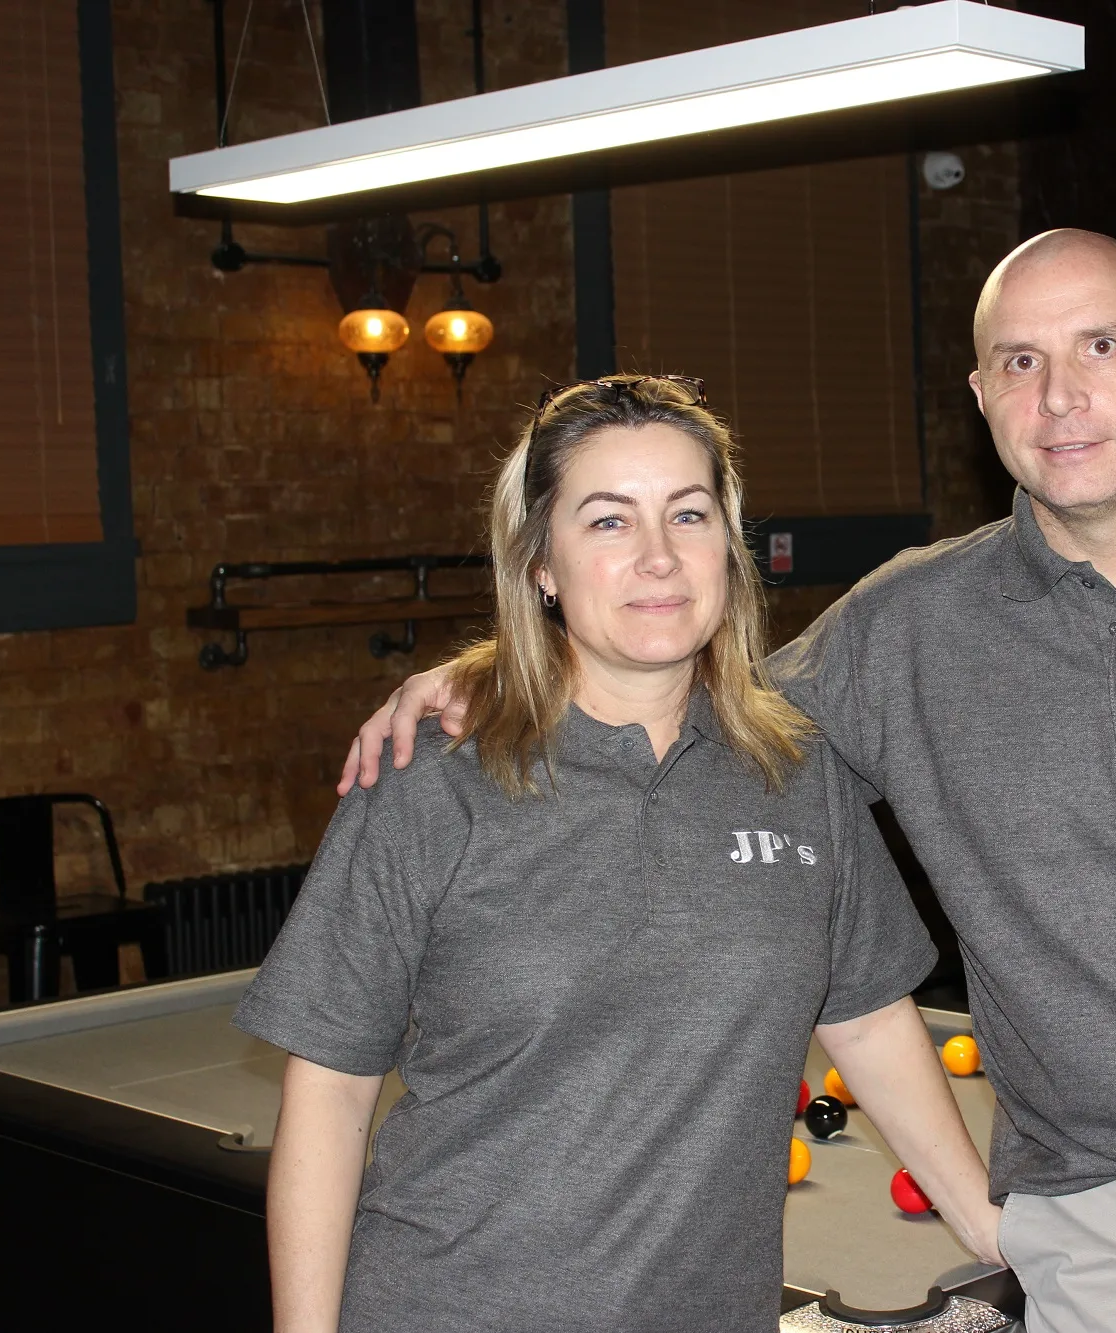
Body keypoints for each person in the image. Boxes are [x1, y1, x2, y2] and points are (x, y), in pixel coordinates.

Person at [343, 233, 1116, 1333]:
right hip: (1105, 1223)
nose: (1060, 395)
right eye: (1018, 362)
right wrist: (496, 667)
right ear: (981, 397)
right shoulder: (908, 624)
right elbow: (698, 708)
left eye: (1100, 345)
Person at [242, 375, 1001, 1333]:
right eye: (607, 522)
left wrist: (993, 1226)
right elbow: (330, 1095)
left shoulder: (798, 773)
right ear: (541, 565)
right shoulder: (429, 782)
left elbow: (869, 1020)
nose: (657, 557)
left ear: (727, 546)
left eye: (688, 514)